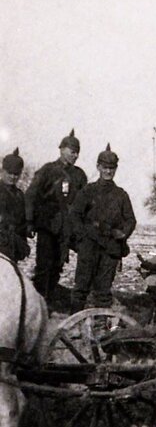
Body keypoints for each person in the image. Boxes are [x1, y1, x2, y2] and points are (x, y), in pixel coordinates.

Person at [70, 144, 136, 309]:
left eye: (112, 168)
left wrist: (123, 234)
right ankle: (73, 325)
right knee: (81, 288)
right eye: (105, 167)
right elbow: (75, 215)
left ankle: (102, 327)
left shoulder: (121, 195)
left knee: (103, 290)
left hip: (110, 248)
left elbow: (130, 220)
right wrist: (82, 238)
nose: (108, 172)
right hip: (89, 245)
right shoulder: (88, 191)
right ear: (98, 167)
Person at [25, 129, 86, 305]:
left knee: (57, 267)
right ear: (61, 149)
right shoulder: (48, 170)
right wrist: (30, 221)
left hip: (66, 229)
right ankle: (36, 305)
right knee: (43, 267)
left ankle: (48, 301)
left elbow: (84, 202)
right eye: (72, 151)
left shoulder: (79, 175)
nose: (75, 155)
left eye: (77, 152)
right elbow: (31, 195)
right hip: (48, 225)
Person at [0, 149, 31, 262]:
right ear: (2, 171)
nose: (13, 177)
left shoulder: (19, 195)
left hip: (13, 246)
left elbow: (22, 224)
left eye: (16, 174)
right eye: (9, 173)